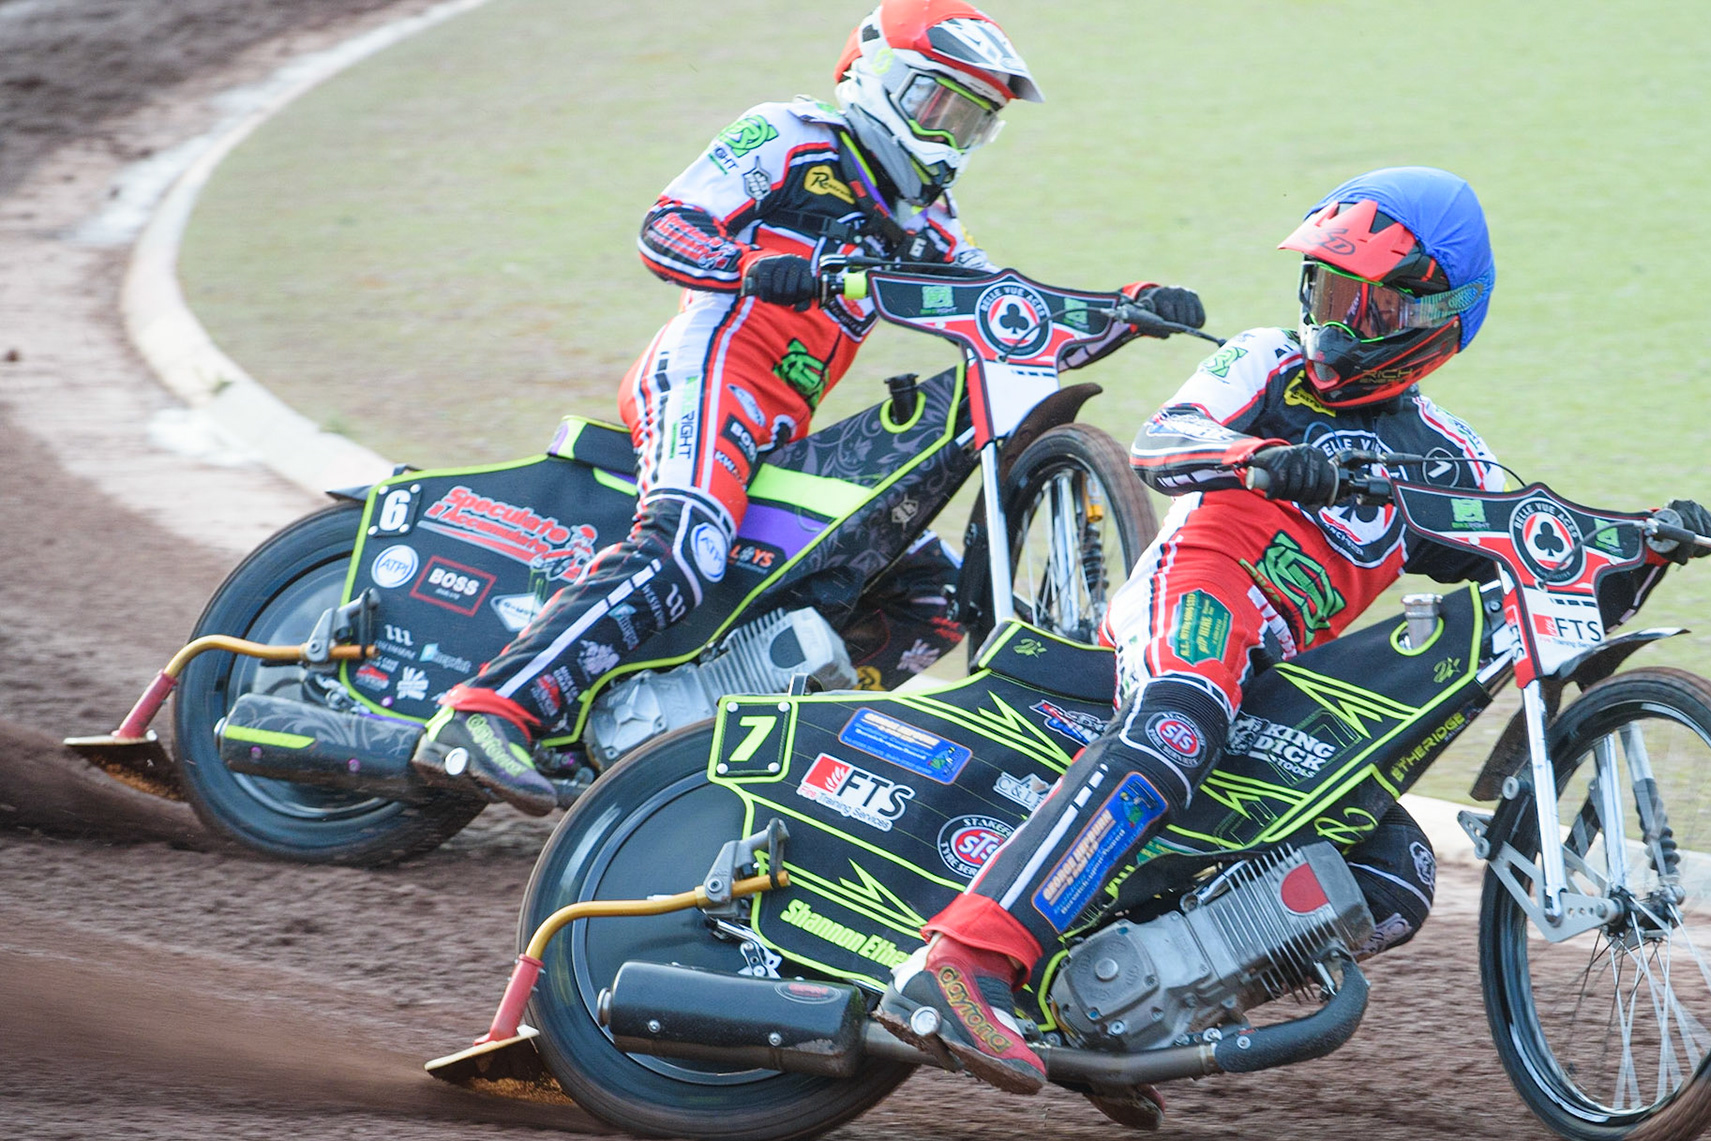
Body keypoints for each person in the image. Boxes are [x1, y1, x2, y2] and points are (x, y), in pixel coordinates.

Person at [877, 166, 1711, 1128]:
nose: (1328, 321)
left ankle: (1125, 1014)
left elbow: (1544, 552)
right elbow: (1163, 442)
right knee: (1182, 722)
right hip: (1193, 594)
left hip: (1277, 674)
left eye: (1358, 302)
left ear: (1430, 320)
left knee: (1395, 875)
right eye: (1321, 288)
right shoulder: (1265, 361)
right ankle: (962, 961)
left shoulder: (1444, 457)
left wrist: (1647, 542)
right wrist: (1265, 459)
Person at [410, 0, 1204, 813]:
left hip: (782, 426)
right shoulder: (789, 133)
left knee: (928, 593)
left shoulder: (925, 221)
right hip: (709, 372)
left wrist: (1123, 313)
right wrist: (752, 263)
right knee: (686, 543)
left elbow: (997, 311)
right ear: (879, 81)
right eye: (943, 107)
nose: (953, 137)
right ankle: (483, 712)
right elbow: (666, 228)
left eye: (974, 123)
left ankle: (714, 752)